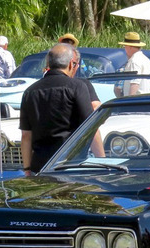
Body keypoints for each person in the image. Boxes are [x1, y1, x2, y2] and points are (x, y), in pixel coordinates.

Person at [19, 44, 95, 175]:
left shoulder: (29, 92)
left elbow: (26, 135)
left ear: (49, 63)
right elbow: (91, 126)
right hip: (70, 164)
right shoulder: (77, 86)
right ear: (71, 64)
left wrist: (27, 169)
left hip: (40, 166)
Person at [114, 31, 150, 97]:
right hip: (147, 99)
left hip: (137, 100)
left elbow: (135, 83)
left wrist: (129, 100)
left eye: (125, 47)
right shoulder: (146, 60)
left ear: (129, 47)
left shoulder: (134, 61)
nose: (125, 49)